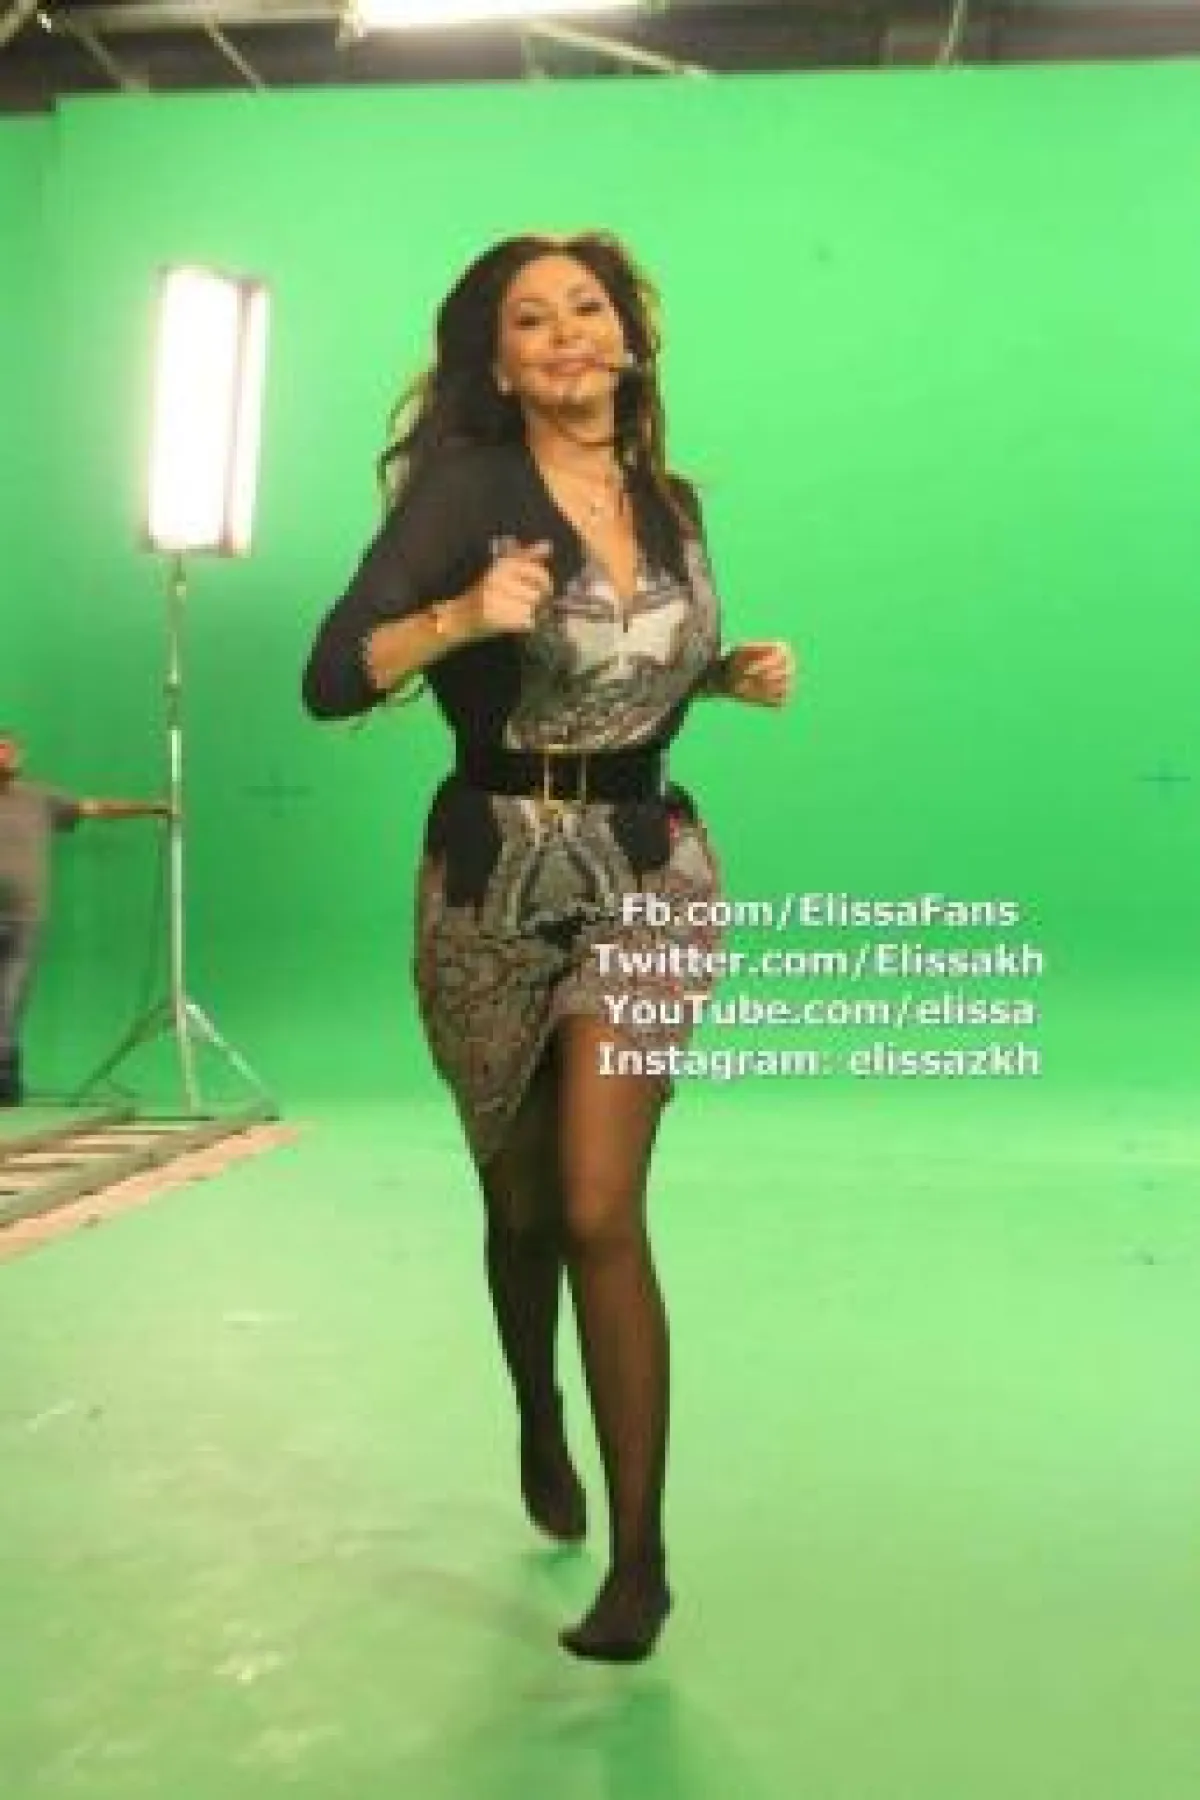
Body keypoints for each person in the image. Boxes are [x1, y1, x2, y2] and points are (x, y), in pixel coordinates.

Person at [302, 231, 797, 1663]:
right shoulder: (466, 495)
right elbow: (330, 676)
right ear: (503, 365)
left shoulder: (671, 503)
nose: (567, 332)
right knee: (522, 1211)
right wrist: (459, 616)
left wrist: (720, 675)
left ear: (628, 340)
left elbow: (632, 673)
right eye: (532, 321)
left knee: (597, 1204)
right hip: (489, 882)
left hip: (649, 873)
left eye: (588, 308)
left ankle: (641, 1567)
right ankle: (538, 1408)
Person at [0, 729, 171, 1106]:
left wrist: (150, 808)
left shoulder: (40, 799)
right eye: (0, 748)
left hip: (26, 920)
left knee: (9, 1000)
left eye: (12, 749)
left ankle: (5, 1082)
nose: (8, 755)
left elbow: (96, 808)